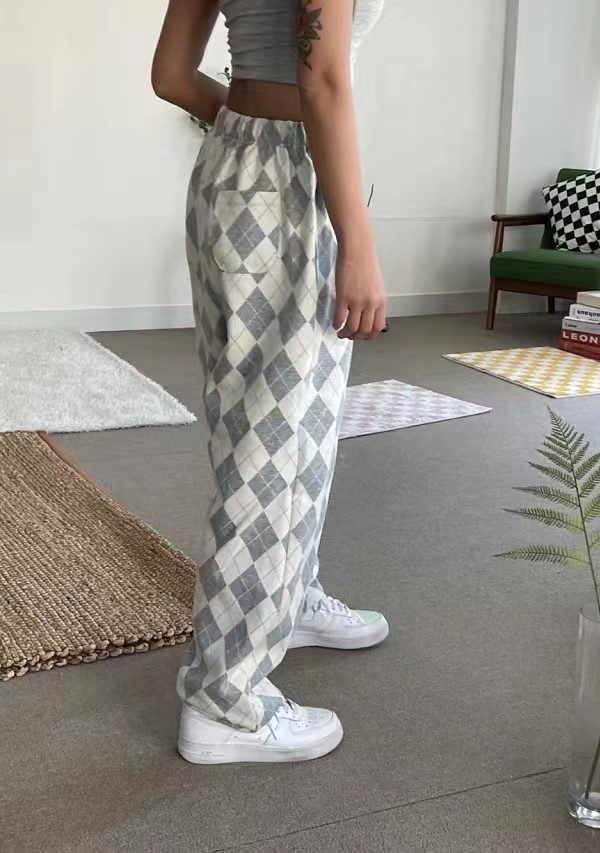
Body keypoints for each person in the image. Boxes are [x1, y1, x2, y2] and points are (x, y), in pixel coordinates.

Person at [152, 0, 388, 765]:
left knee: (252, 424)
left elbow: (170, 75)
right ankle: (225, 699)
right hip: (290, 179)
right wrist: (358, 241)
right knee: (277, 442)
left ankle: (290, 594)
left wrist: (243, 126)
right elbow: (322, 80)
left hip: (227, 165)